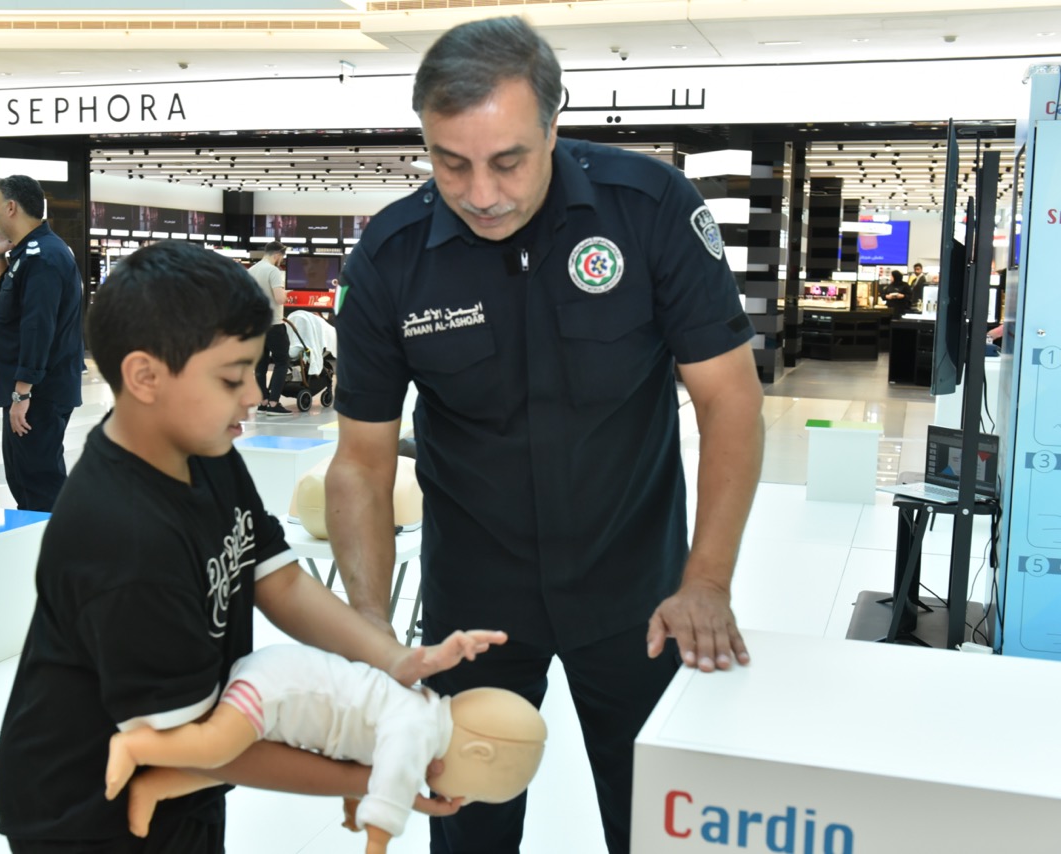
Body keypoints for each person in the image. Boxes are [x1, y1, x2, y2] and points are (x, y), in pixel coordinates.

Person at [324, 17, 765, 854]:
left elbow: (730, 401)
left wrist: (706, 580)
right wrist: (371, 629)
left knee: (657, 828)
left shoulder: (649, 209)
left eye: (508, 160)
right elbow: (361, 463)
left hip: (639, 599)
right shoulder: (391, 256)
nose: (481, 192)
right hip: (472, 610)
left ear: (554, 126)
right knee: (467, 830)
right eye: (451, 163)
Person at [0, 240, 506, 854]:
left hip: (183, 785)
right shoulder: (122, 538)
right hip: (85, 811)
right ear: (144, 376)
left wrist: (393, 660)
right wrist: (378, 775)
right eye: (233, 377)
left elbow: (278, 579)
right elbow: (203, 746)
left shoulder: (199, 450)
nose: (255, 396)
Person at [104, 643, 546, 854]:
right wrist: (377, 841)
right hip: (277, 692)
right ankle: (136, 747)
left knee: (223, 766)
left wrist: (353, 804)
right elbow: (391, 785)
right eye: (475, 791)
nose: (461, 797)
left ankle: (155, 786)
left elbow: (364, 756)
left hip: (282, 684)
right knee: (213, 746)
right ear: (479, 753)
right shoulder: (419, 732)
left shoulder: (423, 707)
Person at [0, 174, 84, 512]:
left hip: (39, 392)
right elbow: (15, 302)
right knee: (22, 475)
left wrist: (22, 393)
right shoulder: (31, 252)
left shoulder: (44, 256)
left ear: (11, 207)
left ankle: (55, 541)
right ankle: (34, 538)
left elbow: (38, 328)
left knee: (39, 481)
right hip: (30, 388)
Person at [248, 240, 292, 415]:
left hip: (257, 326)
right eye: (282, 257)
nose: (281, 260)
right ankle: (274, 404)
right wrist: (286, 294)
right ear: (277, 255)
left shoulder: (251, 271)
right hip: (274, 324)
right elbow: (280, 299)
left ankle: (263, 402)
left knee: (261, 364)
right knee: (282, 362)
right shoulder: (273, 271)